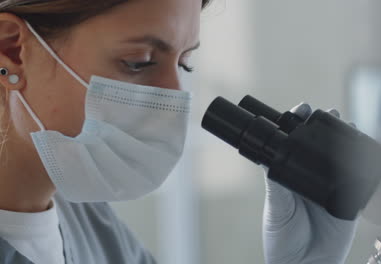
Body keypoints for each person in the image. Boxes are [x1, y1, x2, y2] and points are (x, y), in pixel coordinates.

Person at [0, 0, 357, 263]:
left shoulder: (95, 233)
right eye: (138, 62)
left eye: (184, 63)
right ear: (11, 49)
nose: (173, 98)